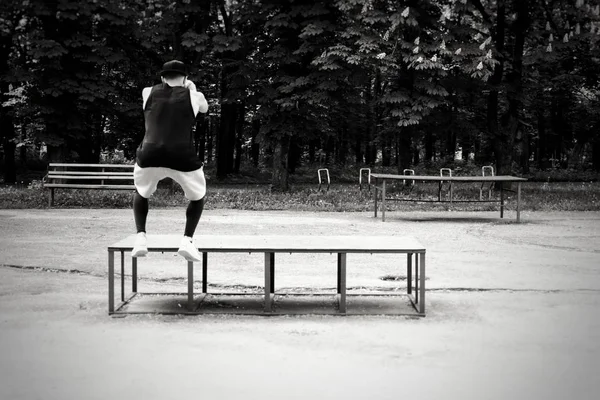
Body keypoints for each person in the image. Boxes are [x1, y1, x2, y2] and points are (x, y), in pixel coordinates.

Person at [131, 60, 209, 262]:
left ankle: (140, 237)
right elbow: (204, 109)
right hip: (181, 155)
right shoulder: (194, 96)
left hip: (150, 153)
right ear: (185, 78)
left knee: (141, 192)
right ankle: (187, 240)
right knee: (198, 196)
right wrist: (190, 86)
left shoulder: (147, 92)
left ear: (162, 77)